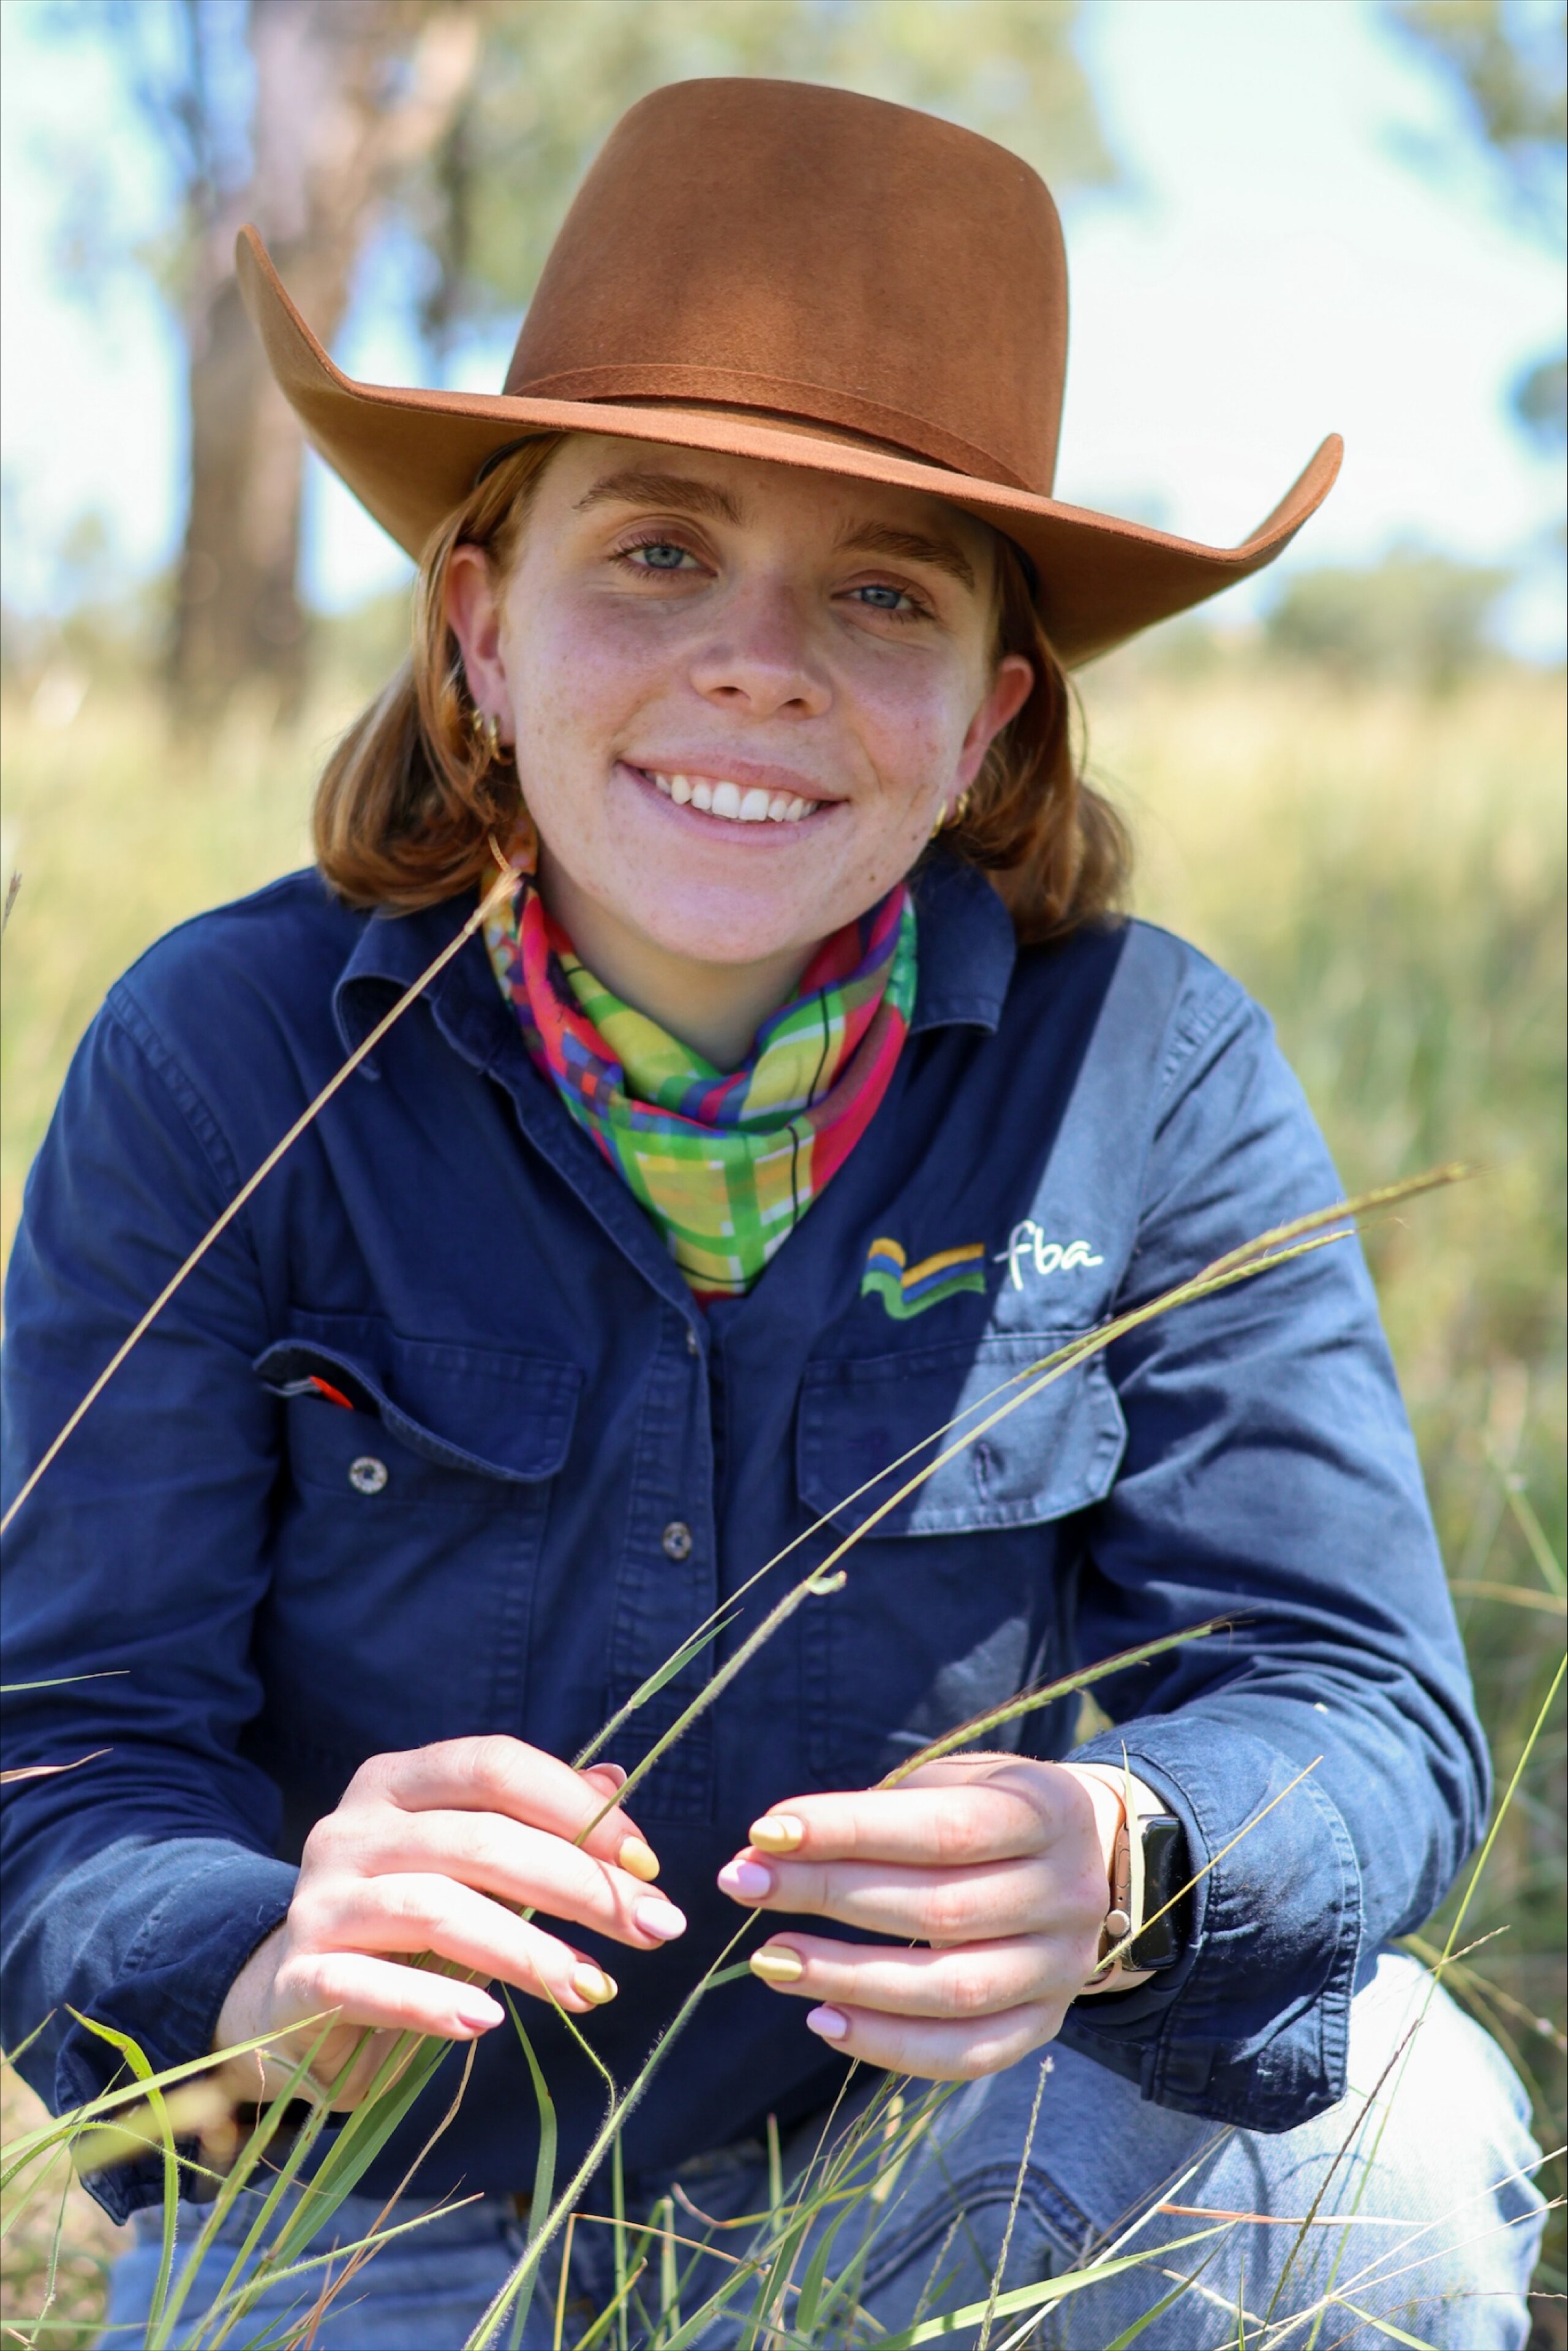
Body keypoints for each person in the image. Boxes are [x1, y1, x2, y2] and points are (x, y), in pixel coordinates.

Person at [1, 78, 1545, 2351]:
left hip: (980, 2167)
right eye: (654, 551)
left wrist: (1129, 1859)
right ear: (482, 628)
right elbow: (65, 1739)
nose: (760, 660)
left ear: (990, 723)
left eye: (882, 593)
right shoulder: (225, 1059)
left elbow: (1366, 1698)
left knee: (1392, 2147)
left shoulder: (1156, 1070)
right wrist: (248, 1961)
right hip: (393, 2203)